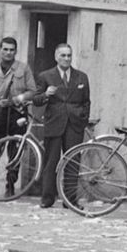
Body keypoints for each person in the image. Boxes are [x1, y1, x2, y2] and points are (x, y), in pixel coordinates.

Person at [34, 43, 90, 209]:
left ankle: (70, 200)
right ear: (56, 57)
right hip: (54, 123)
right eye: (63, 55)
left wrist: (83, 119)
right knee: (51, 162)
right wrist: (46, 94)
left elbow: (86, 101)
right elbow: (36, 99)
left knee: (73, 161)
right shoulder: (46, 76)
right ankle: (47, 198)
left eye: (69, 55)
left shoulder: (81, 77)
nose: (66, 59)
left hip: (74, 124)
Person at [0, 35, 36, 198]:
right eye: (5, 49)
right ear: (0, 50)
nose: (8, 53)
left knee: (15, 153)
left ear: (16, 51)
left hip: (17, 115)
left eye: (12, 50)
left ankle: (10, 187)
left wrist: (16, 99)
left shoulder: (23, 69)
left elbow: (32, 91)